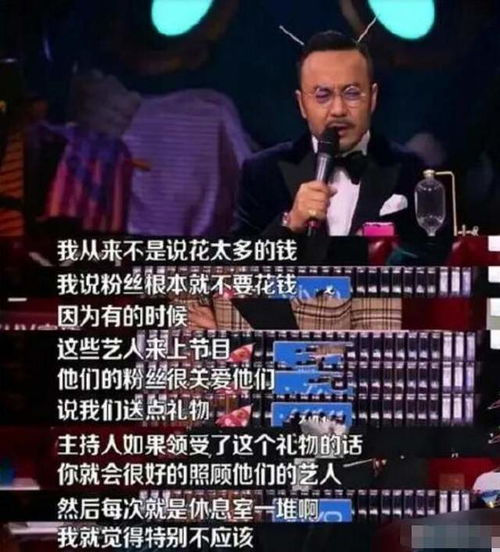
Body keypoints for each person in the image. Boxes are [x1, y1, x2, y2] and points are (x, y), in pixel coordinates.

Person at [233, 30, 451, 265]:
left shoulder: (411, 170)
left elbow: (436, 256)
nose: (338, 110)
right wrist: (290, 224)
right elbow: (238, 270)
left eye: (352, 93)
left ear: (373, 98)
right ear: (302, 104)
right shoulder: (262, 173)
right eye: (323, 95)